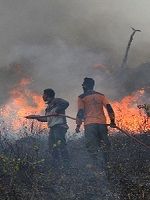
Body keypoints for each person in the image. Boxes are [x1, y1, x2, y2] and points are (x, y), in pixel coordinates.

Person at [75, 77, 116, 167]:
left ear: (85, 86)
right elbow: (109, 108)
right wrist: (112, 121)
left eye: (83, 84)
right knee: (105, 145)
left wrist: (78, 125)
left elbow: (80, 112)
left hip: (90, 125)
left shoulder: (82, 97)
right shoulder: (101, 95)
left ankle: (96, 166)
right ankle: (108, 164)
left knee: (92, 147)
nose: (82, 86)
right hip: (102, 124)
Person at [26, 88, 70, 170]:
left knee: (61, 145)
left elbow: (66, 103)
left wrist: (57, 109)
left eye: (43, 95)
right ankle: (56, 166)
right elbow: (46, 119)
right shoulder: (48, 107)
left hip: (59, 127)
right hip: (53, 128)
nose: (42, 96)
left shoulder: (56, 101)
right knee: (52, 147)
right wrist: (35, 117)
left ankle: (67, 166)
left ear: (47, 95)